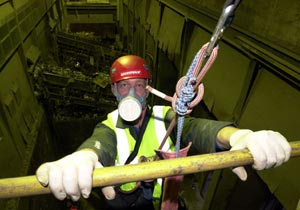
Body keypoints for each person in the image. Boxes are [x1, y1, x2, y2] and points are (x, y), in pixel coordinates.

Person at [36, 55, 291, 210]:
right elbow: (98, 144)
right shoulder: (109, 126)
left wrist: (238, 136)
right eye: (124, 86)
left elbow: (196, 128)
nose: (132, 93)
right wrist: (84, 157)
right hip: (128, 206)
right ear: (113, 91)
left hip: (165, 204)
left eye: (139, 85)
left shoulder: (164, 116)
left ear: (148, 89)